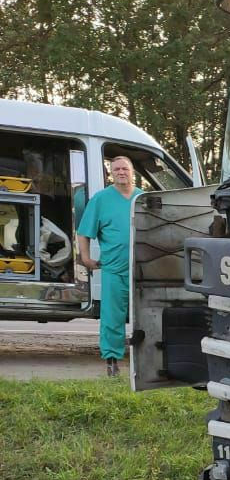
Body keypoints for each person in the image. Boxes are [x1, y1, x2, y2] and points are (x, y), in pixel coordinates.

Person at [78, 157, 142, 377]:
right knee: (112, 316)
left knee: (146, 314)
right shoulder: (101, 199)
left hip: (143, 269)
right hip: (114, 268)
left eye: (125, 168)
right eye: (116, 169)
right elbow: (84, 232)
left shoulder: (143, 198)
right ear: (111, 173)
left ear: (132, 172)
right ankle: (112, 360)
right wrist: (86, 258)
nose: (121, 172)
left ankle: (147, 359)